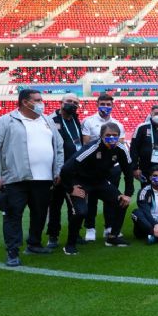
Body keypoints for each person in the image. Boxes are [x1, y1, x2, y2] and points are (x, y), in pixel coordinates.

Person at [0, 89, 64, 266]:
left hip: (44, 179)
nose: (41, 103)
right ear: (24, 102)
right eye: (37, 100)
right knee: (13, 214)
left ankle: (34, 244)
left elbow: (59, 147)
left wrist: (57, 171)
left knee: (40, 213)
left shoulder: (47, 121)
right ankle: (12, 251)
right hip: (15, 179)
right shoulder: (6, 121)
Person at [60, 122, 132, 254]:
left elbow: (128, 172)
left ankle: (113, 237)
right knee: (81, 212)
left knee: (122, 202)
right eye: (108, 135)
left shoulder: (121, 150)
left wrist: (127, 193)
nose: (111, 138)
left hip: (100, 182)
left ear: (119, 136)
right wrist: (71, 189)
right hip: (80, 182)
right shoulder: (91, 148)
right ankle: (70, 244)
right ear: (101, 136)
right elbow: (66, 169)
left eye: (115, 135)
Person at [79, 93, 126, 243]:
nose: (105, 107)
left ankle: (109, 227)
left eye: (108, 104)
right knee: (91, 198)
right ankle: (90, 228)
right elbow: (85, 145)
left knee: (111, 197)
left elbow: (120, 146)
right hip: (93, 167)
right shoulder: (88, 121)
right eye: (103, 104)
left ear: (112, 106)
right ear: (97, 104)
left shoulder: (118, 124)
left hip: (112, 167)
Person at [45, 93, 82, 249]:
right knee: (55, 205)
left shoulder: (76, 120)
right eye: (69, 101)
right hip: (58, 171)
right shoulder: (50, 120)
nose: (72, 104)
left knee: (75, 204)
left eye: (75, 103)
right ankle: (53, 236)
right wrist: (56, 171)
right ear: (61, 102)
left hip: (76, 171)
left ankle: (75, 234)